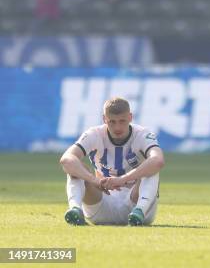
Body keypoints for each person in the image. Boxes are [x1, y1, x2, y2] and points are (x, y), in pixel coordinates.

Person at [59, 97, 165, 226]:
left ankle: (140, 211)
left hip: (135, 201)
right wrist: (95, 180)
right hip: (101, 202)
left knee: (151, 168)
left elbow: (158, 160)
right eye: (112, 122)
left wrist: (123, 179)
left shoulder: (142, 134)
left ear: (130, 117)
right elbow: (66, 160)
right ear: (104, 119)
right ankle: (75, 210)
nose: (117, 127)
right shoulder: (94, 134)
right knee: (76, 168)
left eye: (122, 121)